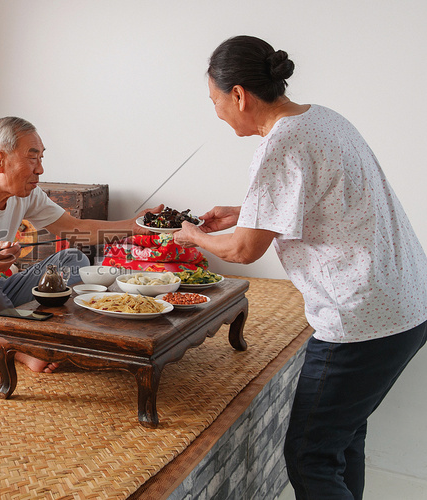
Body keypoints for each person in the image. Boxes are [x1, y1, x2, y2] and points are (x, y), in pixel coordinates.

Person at [172, 35, 427, 499]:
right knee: (342, 442)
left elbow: (244, 252)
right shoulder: (321, 118)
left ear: (239, 95)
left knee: (310, 456)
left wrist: (193, 236)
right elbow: (319, 199)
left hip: (360, 318)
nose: (215, 112)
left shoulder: (279, 144)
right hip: (405, 301)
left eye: (214, 100)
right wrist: (242, 211)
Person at [0, 116, 159, 373]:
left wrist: (135, 226)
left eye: (41, 158)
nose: (40, 169)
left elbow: (75, 229)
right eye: (32, 157)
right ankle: (21, 349)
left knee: (74, 261)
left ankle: (23, 327)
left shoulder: (23, 193)